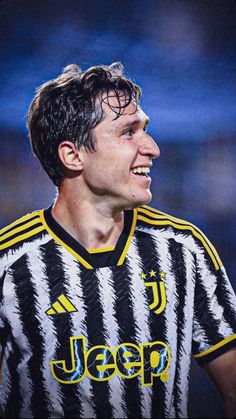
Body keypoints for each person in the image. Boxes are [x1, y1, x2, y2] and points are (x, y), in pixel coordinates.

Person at [0, 62, 235, 419]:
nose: (152, 148)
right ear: (73, 154)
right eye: (128, 133)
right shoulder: (9, 262)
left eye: (146, 130)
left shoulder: (184, 250)